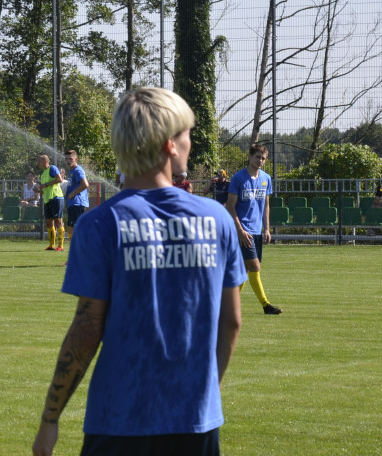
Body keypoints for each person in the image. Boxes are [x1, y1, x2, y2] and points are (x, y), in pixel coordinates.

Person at [32, 87, 245, 456]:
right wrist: (205, 394)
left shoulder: (99, 225)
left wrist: (50, 419)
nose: (190, 142)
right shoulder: (217, 220)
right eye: (186, 134)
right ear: (169, 145)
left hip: (117, 420)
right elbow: (232, 322)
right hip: (196, 421)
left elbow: (86, 329)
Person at [226, 142, 282, 315]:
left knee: (245, 270)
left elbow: (266, 205)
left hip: (257, 231)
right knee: (255, 266)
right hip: (243, 231)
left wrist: (267, 229)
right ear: (249, 157)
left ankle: (225, 305)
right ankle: (266, 305)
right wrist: (240, 231)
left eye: (263, 158)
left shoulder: (266, 179)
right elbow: (230, 206)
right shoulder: (238, 178)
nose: (260, 161)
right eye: (257, 157)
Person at [35, 155, 65, 252]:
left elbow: (59, 179)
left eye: (39, 161)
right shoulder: (43, 174)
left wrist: (45, 185)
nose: (38, 163)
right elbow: (46, 189)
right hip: (48, 200)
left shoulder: (52, 168)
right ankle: (52, 245)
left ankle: (61, 246)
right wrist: (39, 191)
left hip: (56, 198)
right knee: (48, 222)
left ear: (45, 161)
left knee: (58, 221)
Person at [63, 150, 89, 245]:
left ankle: (80, 251)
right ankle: (75, 251)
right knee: (70, 228)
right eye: (66, 159)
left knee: (74, 228)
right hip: (73, 203)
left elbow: (85, 184)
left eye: (70, 159)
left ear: (76, 159)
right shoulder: (71, 171)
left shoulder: (78, 170)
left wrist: (72, 194)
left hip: (77, 203)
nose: (68, 161)